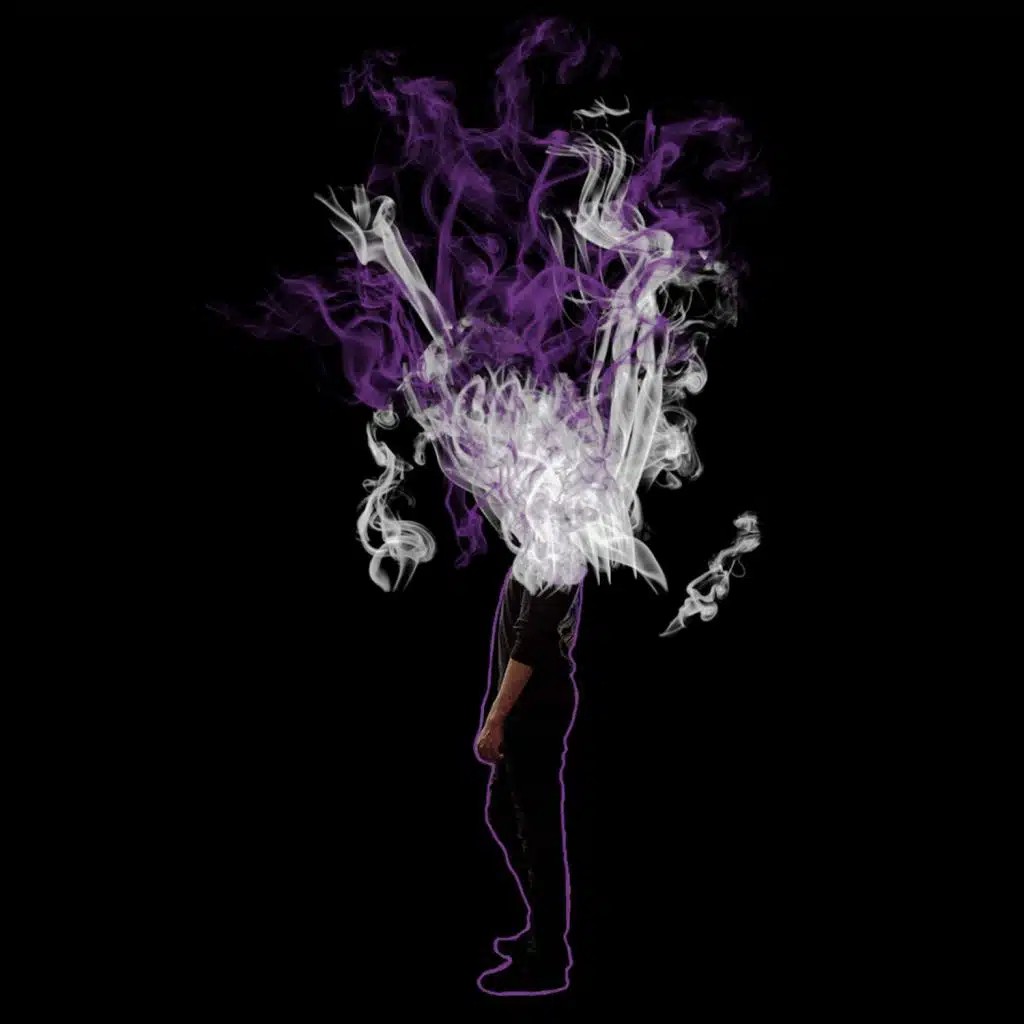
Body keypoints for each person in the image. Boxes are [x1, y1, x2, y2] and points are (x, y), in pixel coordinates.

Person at [475, 564, 583, 995]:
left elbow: (532, 639)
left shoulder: (557, 550)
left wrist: (496, 719)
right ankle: (543, 929)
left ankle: (548, 959)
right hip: (529, 704)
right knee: (504, 814)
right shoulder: (543, 543)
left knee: (537, 833)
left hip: (535, 707)